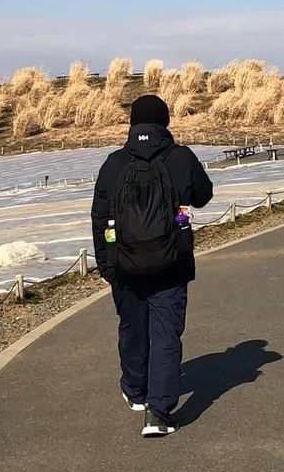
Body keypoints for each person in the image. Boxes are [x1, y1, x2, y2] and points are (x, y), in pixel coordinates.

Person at [91, 94, 213, 438]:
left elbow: (101, 218)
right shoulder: (181, 157)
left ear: (133, 124)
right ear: (166, 122)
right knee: (165, 333)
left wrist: (106, 264)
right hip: (171, 263)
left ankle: (135, 391)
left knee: (132, 327)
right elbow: (204, 195)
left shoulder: (114, 163)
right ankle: (159, 413)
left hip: (124, 265)